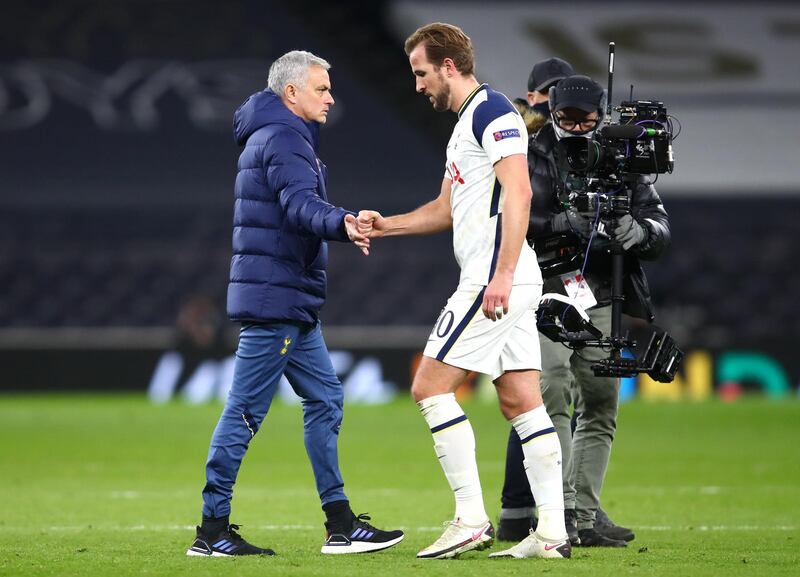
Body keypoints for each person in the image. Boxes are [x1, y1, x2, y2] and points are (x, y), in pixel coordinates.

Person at [357, 22, 571, 560]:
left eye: (421, 72)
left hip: (495, 277)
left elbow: (519, 190)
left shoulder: (492, 111)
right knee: (521, 399)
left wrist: (499, 275)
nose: (417, 85)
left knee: (429, 387)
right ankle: (551, 533)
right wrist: (386, 226)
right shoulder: (464, 125)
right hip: (508, 276)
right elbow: (444, 210)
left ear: (449, 66)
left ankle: (470, 520)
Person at [186, 50, 404, 557]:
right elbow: (300, 205)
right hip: (277, 299)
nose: (330, 97)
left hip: (289, 299)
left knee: (326, 399)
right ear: (291, 93)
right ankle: (212, 529)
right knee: (244, 413)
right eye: (321, 88)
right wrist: (344, 223)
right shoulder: (285, 137)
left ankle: (341, 523)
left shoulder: (273, 133)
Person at [497, 74, 671, 548]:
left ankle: (587, 515)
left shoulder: (622, 155)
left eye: (585, 119)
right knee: (552, 393)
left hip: (601, 292)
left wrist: (641, 231)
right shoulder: (527, 152)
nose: (575, 126)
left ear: (601, 114)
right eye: (567, 118)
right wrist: (559, 222)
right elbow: (505, 215)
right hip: (546, 288)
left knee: (600, 404)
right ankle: (561, 511)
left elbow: (659, 223)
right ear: (551, 111)